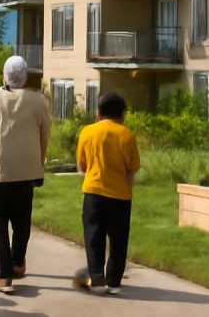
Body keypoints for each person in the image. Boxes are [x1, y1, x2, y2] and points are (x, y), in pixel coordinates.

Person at [0, 55, 51, 294]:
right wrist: (39, 162)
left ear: (3, 75)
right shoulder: (38, 101)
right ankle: (18, 261)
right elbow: (44, 136)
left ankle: (4, 277)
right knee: (22, 219)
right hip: (27, 171)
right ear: (25, 76)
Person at [72, 92, 140, 295]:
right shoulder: (127, 135)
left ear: (98, 112)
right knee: (119, 240)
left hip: (93, 192)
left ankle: (96, 274)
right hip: (120, 196)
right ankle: (114, 281)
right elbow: (132, 168)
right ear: (123, 114)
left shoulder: (87, 132)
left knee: (94, 235)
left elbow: (81, 166)